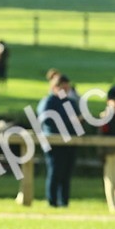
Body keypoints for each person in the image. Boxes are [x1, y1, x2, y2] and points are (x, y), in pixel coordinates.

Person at [39, 74, 78, 207]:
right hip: (54, 142)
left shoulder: (71, 102)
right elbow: (47, 120)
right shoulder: (49, 101)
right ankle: (52, 201)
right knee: (55, 172)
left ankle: (64, 201)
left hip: (70, 143)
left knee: (66, 174)